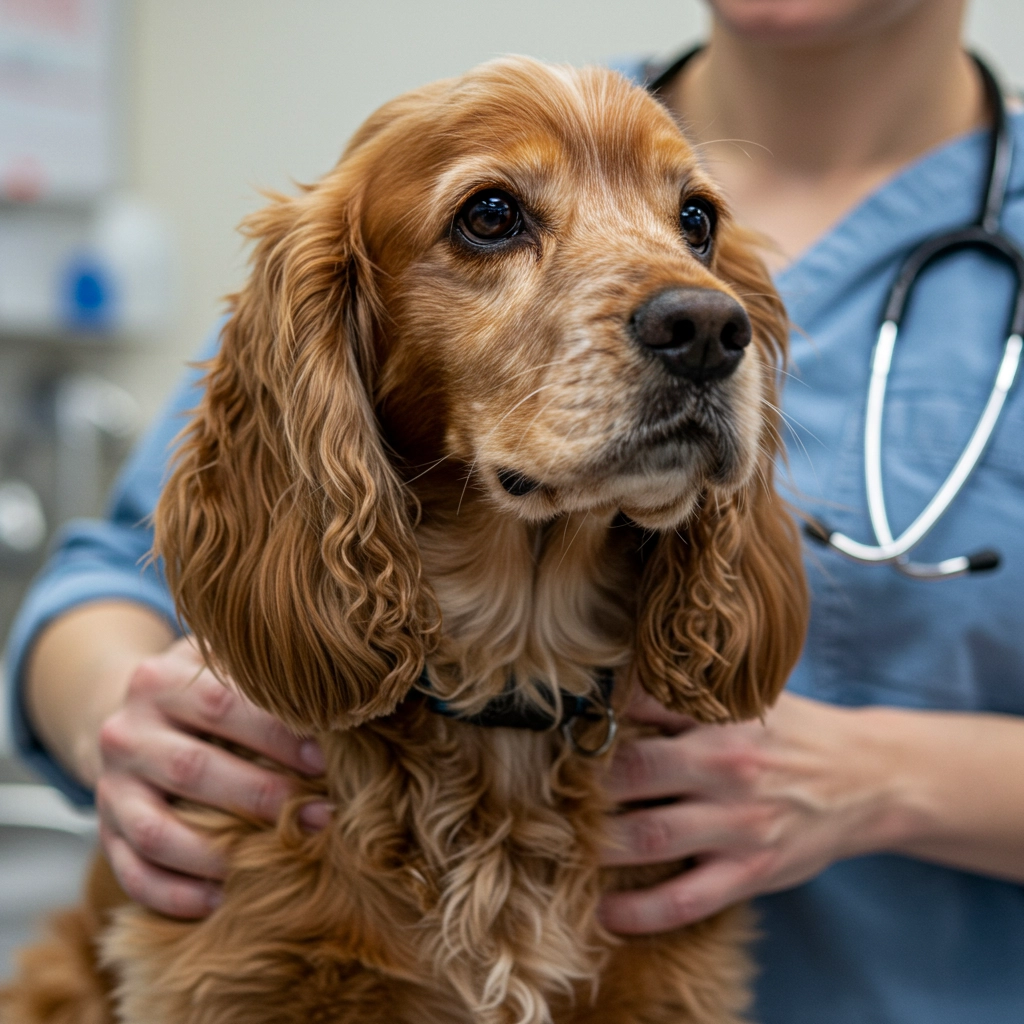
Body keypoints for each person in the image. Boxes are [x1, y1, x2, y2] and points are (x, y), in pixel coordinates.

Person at [5, 0, 1024, 1020]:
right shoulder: (427, 154)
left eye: (693, 226)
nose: (692, 309)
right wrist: (114, 713)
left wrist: (891, 781)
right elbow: (110, 569)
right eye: (493, 220)